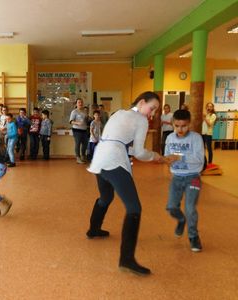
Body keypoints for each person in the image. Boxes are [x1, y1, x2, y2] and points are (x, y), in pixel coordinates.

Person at [86, 91, 162, 276]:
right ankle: (127, 260)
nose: (151, 114)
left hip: (100, 159)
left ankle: (93, 229)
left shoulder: (119, 113)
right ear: (142, 102)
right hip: (114, 161)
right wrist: (156, 156)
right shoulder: (141, 120)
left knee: (106, 196)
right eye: (152, 109)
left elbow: (117, 137)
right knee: (134, 208)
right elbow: (140, 153)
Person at [165, 109, 204, 252]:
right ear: (173, 124)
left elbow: (200, 160)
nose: (180, 129)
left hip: (193, 177)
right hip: (176, 177)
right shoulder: (169, 138)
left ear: (189, 124)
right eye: (177, 126)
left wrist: (180, 157)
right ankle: (181, 220)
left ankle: (193, 237)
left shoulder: (196, 138)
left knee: (190, 208)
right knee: (171, 207)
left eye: (184, 126)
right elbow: (167, 155)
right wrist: (166, 160)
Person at [69, 98, 88, 164]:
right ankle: (78, 158)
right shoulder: (74, 111)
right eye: (79, 102)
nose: (80, 103)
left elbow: (86, 120)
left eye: (81, 102)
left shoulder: (85, 111)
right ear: (76, 104)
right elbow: (71, 121)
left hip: (84, 130)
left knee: (85, 144)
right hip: (77, 130)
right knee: (78, 144)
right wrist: (77, 123)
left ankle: (83, 155)